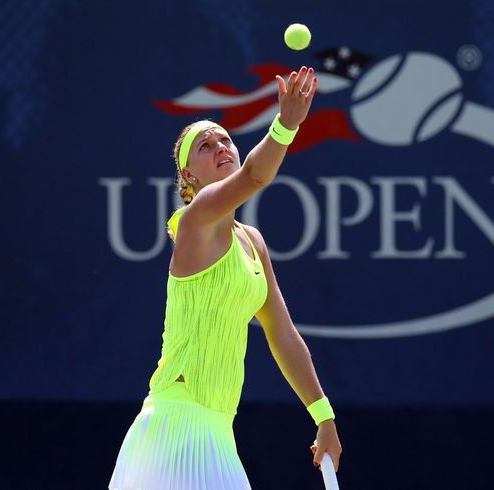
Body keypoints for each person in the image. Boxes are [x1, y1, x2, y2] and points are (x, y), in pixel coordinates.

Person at [108, 66, 342, 490]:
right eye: (204, 145)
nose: (220, 146)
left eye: (224, 139)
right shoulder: (194, 221)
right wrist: (286, 124)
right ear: (189, 177)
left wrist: (323, 414)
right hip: (172, 428)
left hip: (219, 432)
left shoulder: (251, 242)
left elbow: (282, 333)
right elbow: (255, 175)